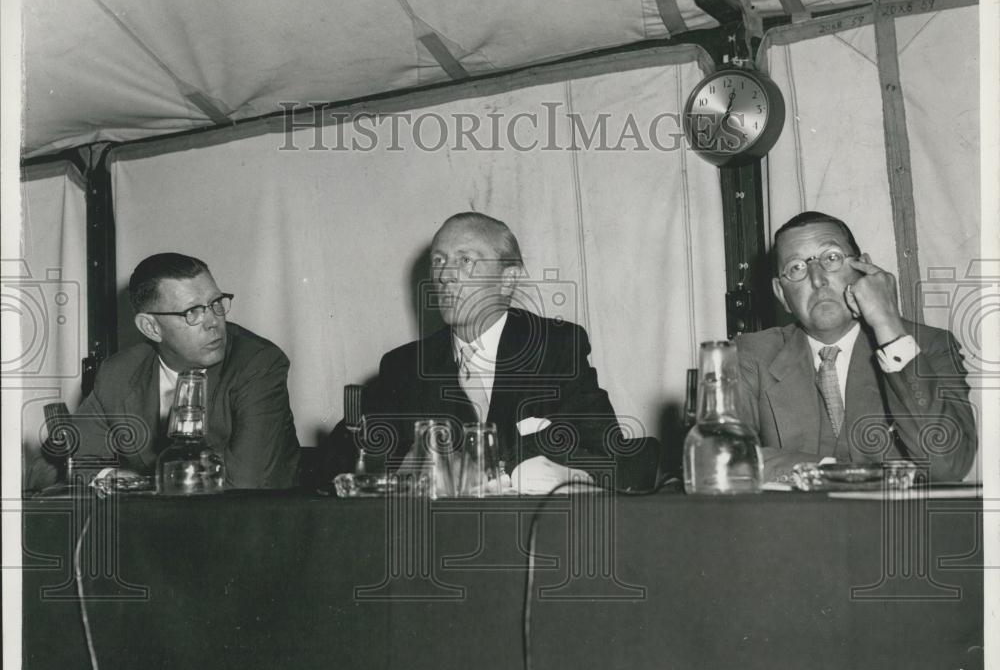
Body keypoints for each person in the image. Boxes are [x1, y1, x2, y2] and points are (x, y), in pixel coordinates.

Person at [331, 212, 622, 489]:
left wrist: (502, 467)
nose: (445, 275)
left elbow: (609, 454)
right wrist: (400, 467)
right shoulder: (404, 366)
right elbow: (334, 461)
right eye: (438, 260)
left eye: (466, 260)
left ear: (508, 279)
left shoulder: (556, 346)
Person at [736, 211, 976, 483]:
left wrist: (888, 324)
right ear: (782, 294)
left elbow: (949, 464)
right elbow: (724, 458)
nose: (817, 279)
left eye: (832, 258)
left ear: (863, 269)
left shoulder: (930, 346)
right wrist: (834, 473)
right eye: (796, 267)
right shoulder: (751, 356)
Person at [27, 253, 299, 490]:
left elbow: (247, 483)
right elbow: (76, 463)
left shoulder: (257, 364)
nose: (213, 322)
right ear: (151, 328)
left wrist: (141, 485)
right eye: (193, 312)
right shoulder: (119, 373)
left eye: (217, 303)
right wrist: (109, 476)